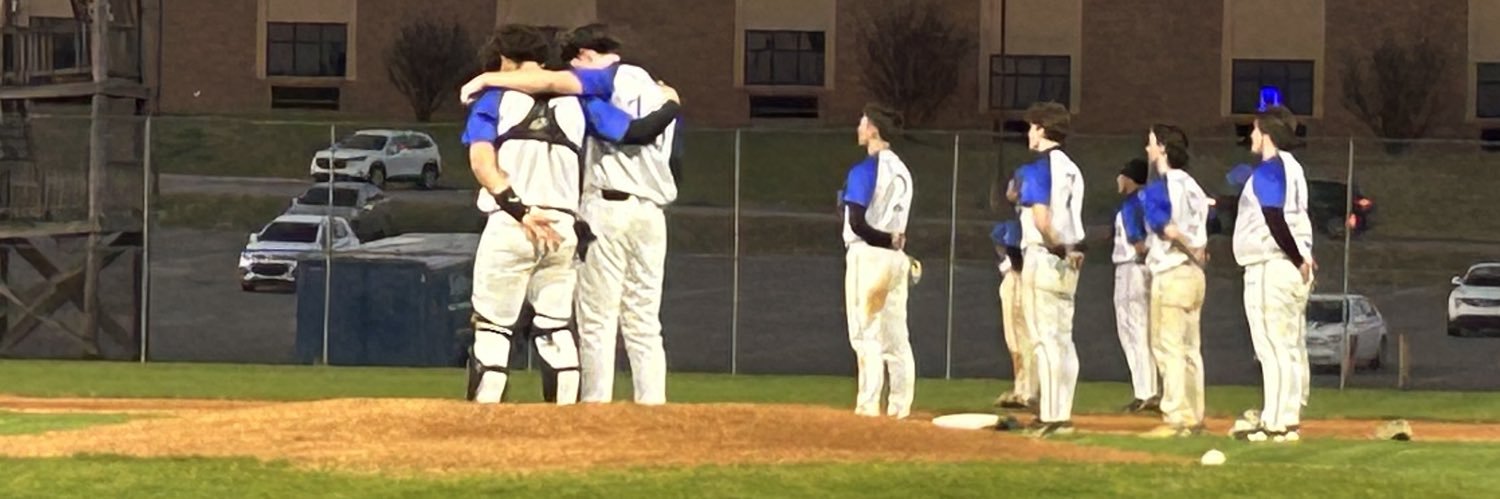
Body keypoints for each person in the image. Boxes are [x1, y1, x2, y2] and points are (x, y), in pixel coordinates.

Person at [459, 24, 682, 406]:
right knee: (558, 328)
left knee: (495, 327)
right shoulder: (584, 101)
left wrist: (518, 208)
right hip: (567, 226)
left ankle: (487, 417)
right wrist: (672, 104)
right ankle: (591, 416)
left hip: (514, 220)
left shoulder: (493, 97)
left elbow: (482, 161)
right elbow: (632, 131)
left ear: (503, 59)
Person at [1231, 106, 1316, 443]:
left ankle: (1274, 421)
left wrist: (1296, 257)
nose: (1251, 136)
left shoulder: (1270, 169)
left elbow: (1273, 216)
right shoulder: (1294, 168)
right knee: (1290, 346)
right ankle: (1289, 418)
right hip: (1291, 266)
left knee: (1272, 346)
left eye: (1255, 129)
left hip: (1272, 265)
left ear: (1266, 133)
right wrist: (1303, 256)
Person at [839, 103, 915, 419]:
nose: (859, 128)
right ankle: (900, 408)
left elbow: (857, 223)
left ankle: (868, 406)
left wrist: (883, 240)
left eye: (863, 122)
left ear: (873, 129)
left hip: (868, 255)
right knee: (896, 337)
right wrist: (892, 242)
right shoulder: (903, 170)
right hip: (896, 259)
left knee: (865, 333)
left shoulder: (864, 170)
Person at [1015, 102, 1086, 438]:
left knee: (1044, 341)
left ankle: (1051, 416)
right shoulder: (1073, 168)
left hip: (1045, 256)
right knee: (1064, 340)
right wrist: (1071, 250)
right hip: (1070, 259)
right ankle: (1063, 413)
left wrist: (1058, 247)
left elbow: (1042, 220)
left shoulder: (1038, 167)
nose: (1029, 133)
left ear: (1042, 129)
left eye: (1032, 126)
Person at [1137, 124, 1210, 438]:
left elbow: (1168, 230)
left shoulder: (1159, 187)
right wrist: (1197, 251)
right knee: (1191, 349)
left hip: (1172, 271)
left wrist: (1189, 248)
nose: (1148, 149)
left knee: (1168, 347)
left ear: (1164, 148)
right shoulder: (1193, 186)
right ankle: (1194, 416)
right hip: (1194, 275)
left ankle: (1177, 417)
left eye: (1152, 143)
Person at [1112, 158, 1157, 414]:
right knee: (1144, 332)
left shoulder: (1131, 203)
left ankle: (1145, 392)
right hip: (1146, 269)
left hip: (1131, 268)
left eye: (1121, 175)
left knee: (1132, 332)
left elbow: (1137, 242)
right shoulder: (1149, 199)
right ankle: (1149, 391)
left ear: (1129, 178)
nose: (1118, 180)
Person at [992, 177, 1036, 411]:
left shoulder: (1023, 217)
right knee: (1019, 338)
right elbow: (1001, 243)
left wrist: (1013, 266)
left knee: (1021, 337)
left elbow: (1013, 251)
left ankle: (1027, 391)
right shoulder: (1016, 218)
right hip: (1022, 277)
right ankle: (1023, 389)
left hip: (1020, 279)